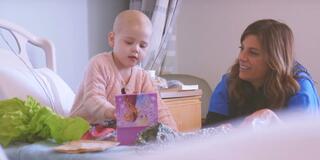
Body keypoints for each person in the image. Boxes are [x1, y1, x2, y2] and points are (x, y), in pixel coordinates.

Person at [70, 10, 177, 130]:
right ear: (112, 39)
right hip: (82, 130)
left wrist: (172, 132)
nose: (136, 49)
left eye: (142, 46)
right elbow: (92, 99)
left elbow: (158, 109)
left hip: (112, 134)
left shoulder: (142, 77)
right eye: (129, 42)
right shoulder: (99, 64)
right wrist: (112, 112)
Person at [205, 19, 320, 126]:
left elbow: (304, 142)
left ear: (275, 60)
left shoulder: (300, 88)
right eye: (242, 49)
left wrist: (275, 123)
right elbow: (211, 132)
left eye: (253, 53)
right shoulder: (228, 82)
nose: (241, 57)